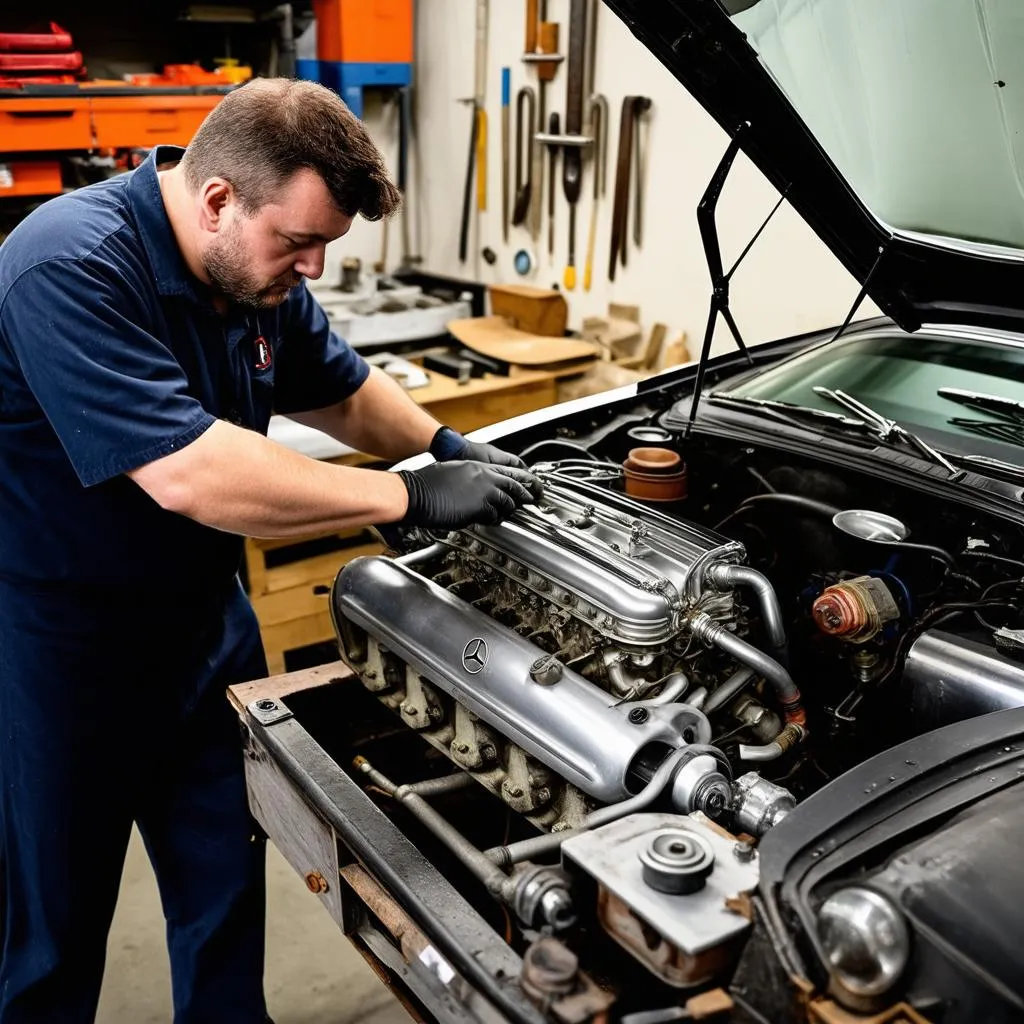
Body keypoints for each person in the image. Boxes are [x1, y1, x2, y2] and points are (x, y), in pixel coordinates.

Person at [0, 77, 541, 1023]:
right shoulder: (67, 266)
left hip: (207, 638)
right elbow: (191, 475)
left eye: (326, 245)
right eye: (299, 243)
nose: (315, 268)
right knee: (53, 934)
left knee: (224, 902)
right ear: (218, 200)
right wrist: (405, 495)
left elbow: (338, 391)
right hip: (62, 656)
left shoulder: (253, 273)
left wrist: (443, 446)